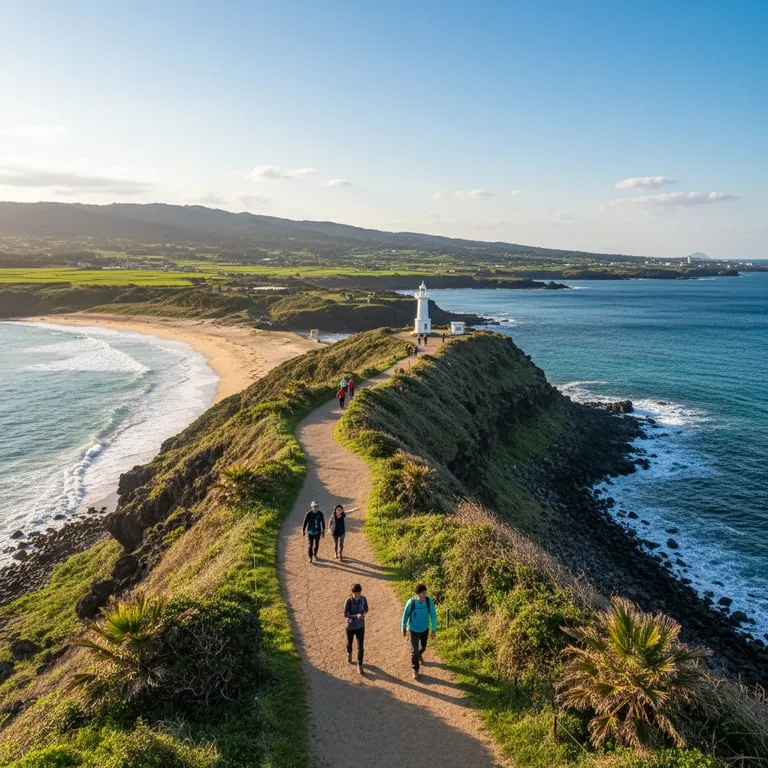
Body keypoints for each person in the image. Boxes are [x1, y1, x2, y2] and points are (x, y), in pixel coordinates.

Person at [401, 583, 437, 680]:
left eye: (425, 593)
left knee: (423, 647)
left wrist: (434, 629)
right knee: (414, 651)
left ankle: (419, 654)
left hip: (425, 629)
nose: (424, 595)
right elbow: (405, 615)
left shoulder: (429, 602)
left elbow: (433, 616)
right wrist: (403, 628)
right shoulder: (411, 603)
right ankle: (415, 669)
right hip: (413, 630)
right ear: (417, 594)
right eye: (422, 593)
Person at [344, 583, 369, 674]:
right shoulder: (348, 601)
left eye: (359, 593)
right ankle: (349, 653)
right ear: (352, 593)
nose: (358, 595)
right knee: (349, 643)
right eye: (356, 593)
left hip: (360, 626)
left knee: (360, 647)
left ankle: (360, 665)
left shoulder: (363, 599)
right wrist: (356, 616)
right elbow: (345, 614)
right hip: (350, 627)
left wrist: (363, 614)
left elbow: (366, 609)